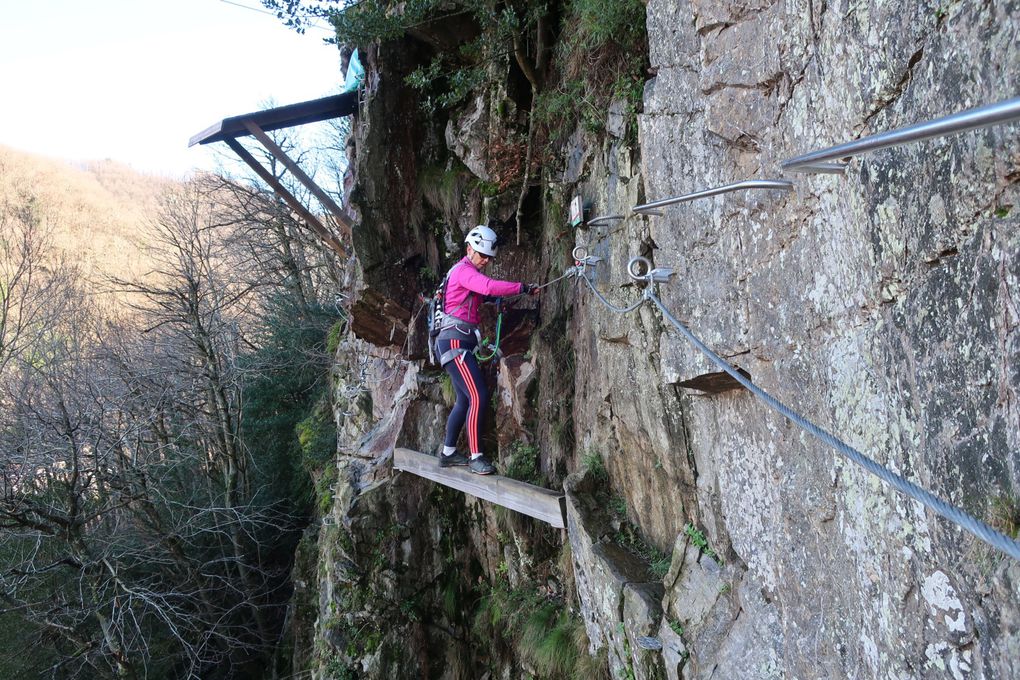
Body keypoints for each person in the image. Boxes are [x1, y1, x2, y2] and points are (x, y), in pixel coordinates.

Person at [435, 225, 538, 474]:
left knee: (463, 399)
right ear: (469, 249)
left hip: (455, 343)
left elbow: (483, 296)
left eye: (489, 257)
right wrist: (522, 287)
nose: (485, 261)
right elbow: (489, 287)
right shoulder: (463, 270)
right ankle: (475, 456)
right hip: (455, 344)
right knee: (478, 396)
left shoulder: (462, 273)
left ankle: (448, 452)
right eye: (482, 255)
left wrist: (499, 299)